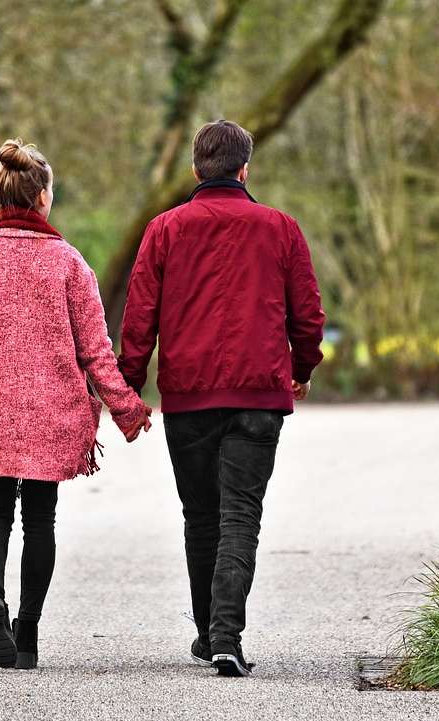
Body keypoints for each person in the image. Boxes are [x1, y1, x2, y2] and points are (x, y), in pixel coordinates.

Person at [0, 139, 152, 671]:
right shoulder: (70, 264)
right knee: (40, 522)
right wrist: (127, 409)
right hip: (52, 413)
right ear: (43, 197)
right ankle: (27, 633)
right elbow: (96, 352)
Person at [118, 119, 325, 677]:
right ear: (244, 169)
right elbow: (307, 313)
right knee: (241, 515)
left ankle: (211, 634)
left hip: (188, 397)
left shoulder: (164, 230)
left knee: (201, 516)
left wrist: (128, 388)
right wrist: (302, 368)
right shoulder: (280, 228)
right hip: (259, 394)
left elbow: (139, 318)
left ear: (195, 169)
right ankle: (226, 634)